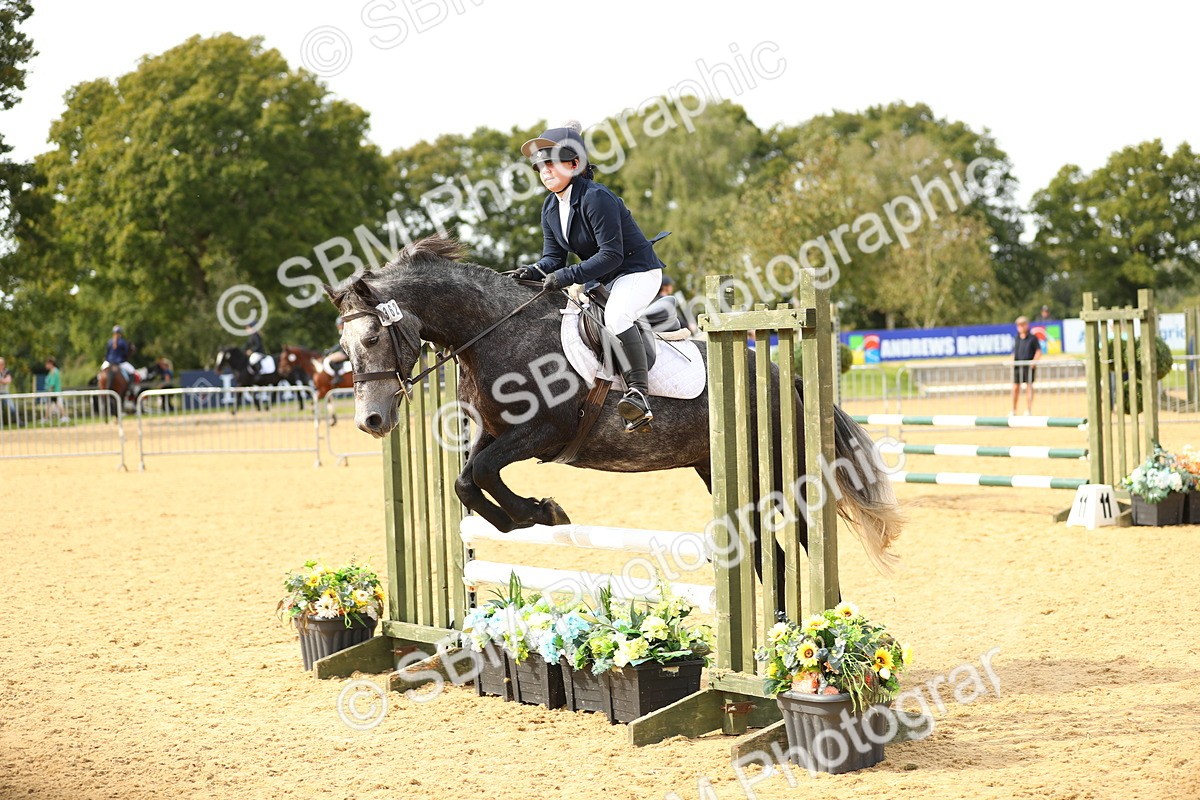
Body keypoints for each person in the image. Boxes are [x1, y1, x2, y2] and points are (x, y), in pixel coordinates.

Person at [512, 120, 665, 431]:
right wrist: (532, 271)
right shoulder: (550, 207)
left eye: (552, 164)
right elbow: (554, 258)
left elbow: (612, 255)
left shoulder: (596, 197)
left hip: (636, 272)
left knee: (617, 317)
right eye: (540, 166)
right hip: (603, 280)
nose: (544, 171)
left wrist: (567, 276)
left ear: (574, 164)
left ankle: (639, 395)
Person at [1012, 315, 1042, 415]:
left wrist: (1034, 361)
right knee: (1015, 387)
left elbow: (1038, 351)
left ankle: (1028, 410)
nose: (1020, 327)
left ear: (1026, 325)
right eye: (1018, 325)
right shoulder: (1016, 338)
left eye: (1022, 325)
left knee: (1029, 387)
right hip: (1017, 367)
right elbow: (1014, 352)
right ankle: (1014, 410)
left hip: (1028, 367)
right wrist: (1012, 361)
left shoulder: (1033, 338)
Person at [42, 357, 68, 423]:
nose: (45, 365)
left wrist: (49, 392)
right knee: (49, 405)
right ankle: (46, 418)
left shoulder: (54, 371)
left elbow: (52, 384)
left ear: (51, 364)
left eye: (47, 364)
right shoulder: (52, 371)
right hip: (53, 392)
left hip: (54, 392)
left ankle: (63, 417)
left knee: (57, 404)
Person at [0, 356, 18, 426]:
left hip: (5, 393)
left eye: (1, 364)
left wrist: (2, 381)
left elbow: (9, 380)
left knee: (12, 407)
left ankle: (19, 421)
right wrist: (4, 380)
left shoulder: (6, 371)